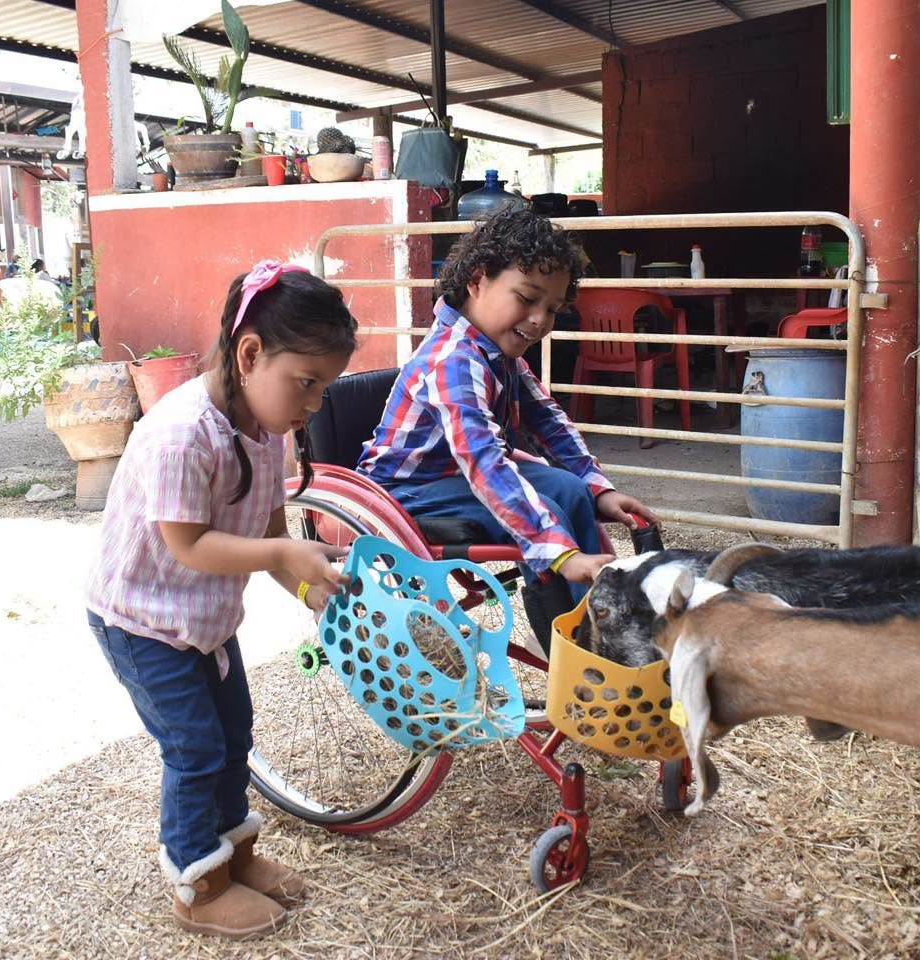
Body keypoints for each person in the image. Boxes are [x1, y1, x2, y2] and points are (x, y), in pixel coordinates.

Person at [84, 260, 356, 941]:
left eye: (325, 388)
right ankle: (196, 882)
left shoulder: (267, 432)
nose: (314, 405)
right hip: (143, 622)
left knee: (234, 736)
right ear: (250, 353)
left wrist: (310, 585)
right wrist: (279, 556)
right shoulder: (181, 432)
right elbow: (190, 546)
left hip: (202, 619)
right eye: (306, 383)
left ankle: (235, 857)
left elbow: (269, 536)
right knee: (195, 748)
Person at [358, 207, 658, 646]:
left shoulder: (499, 353)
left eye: (552, 308)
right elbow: (484, 462)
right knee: (548, 515)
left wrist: (599, 488)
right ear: (477, 280)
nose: (540, 319)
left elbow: (550, 421)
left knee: (571, 492)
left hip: (455, 474)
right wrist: (559, 551)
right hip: (409, 491)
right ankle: (571, 640)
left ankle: (599, 623)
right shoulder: (453, 360)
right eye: (527, 298)